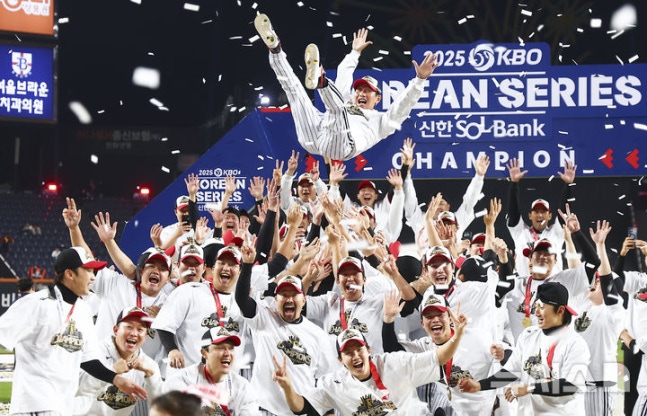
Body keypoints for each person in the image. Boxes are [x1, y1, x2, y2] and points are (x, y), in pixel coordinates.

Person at [254, 13, 440, 161]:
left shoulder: (381, 121)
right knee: (295, 93)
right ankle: (276, 50)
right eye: (359, 89)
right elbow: (344, 73)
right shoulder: (346, 100)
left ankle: (321, 81)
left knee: (338, 109)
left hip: (343, 147)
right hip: (315, 136)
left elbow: (403, 106)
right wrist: (354, 52)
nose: (361, 93)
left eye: (367, 91)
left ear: (378, 98)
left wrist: (419, 80)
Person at [0, 247, 147, 415]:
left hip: (63, 406)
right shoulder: (35, 304)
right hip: (34, 404)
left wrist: (116, 379)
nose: (93, 277)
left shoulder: (82, 310)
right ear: (70, 274)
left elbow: (89, 361)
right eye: (88, 271)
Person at [272, 321, 466, 416]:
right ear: (340, 360)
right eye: (349, 353)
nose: (356, 355)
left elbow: (438, 358)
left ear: (369, 350)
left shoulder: (395, 363)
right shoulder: (334, 384)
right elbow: (301, 407)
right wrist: (287, 387)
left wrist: (456, 337)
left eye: (359, 349)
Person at [458, 282, 590, 416]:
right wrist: (479, 385)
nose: (536, 312)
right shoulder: (528, 336)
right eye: (536, 306)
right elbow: (511, 372)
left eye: (542, 307)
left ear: (560, 310)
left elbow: (570, 386)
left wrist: (529, 388)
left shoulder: (576, 344)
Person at [74, 307, 164, 416]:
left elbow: (162, 407)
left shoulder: (148, 364)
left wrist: (150, 374)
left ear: (145, 336)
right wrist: (111, 372)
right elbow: (76, 388)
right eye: (129, 327)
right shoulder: (94, 352)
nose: (134, 333)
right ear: (116, 330)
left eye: (140, 329)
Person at [164, 327, 260, 415]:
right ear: (204, 353)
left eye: (231, 348)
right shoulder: (182, 381)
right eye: (220, 348)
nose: (227, 353)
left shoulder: (243, 387)